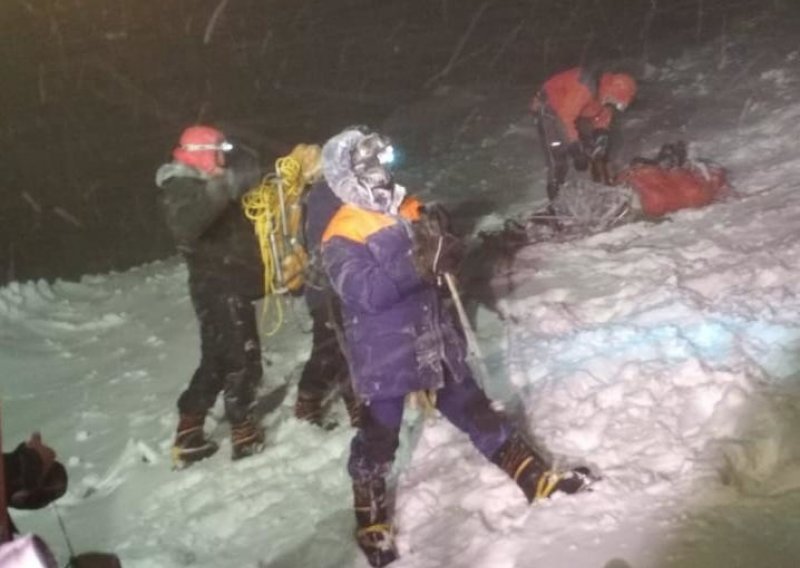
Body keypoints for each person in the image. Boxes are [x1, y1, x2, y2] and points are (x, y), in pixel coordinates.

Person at [318, 127, 594, 567]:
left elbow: (438, 264)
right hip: (384, 352)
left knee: (475, 408)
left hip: (432, 339)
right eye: (366, 164)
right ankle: (370, 517)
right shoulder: (342, 232)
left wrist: (448, 246)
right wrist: (420, 262)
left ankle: (534, 478)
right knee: (380, 434)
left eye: (381, 161)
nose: (379, 172)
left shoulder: (406, 207)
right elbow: (364, 293)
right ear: (347, 175)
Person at [155, 125, 267, 468]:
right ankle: (243, 432)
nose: (223, 157)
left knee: (217, 359)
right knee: (242, 358)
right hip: (218, 286)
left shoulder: (205, 184)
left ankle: (188, 433)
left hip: (225, 283)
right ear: (203, 152)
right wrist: (225, 184)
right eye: (219, 150)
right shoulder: (181, 186)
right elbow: (188, 224)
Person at [531, 67, 637, 205]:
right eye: (611, 100)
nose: (611, 104)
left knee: (594, 149)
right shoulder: (584, 88)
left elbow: (603, 115)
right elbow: (565, 119)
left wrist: (601, 134)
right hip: (550, 109)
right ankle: (555, 199)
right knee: (558, 156)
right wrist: (575, 149)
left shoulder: (606, 95)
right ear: (608, 92)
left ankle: (602, 188)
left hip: (576, 111)